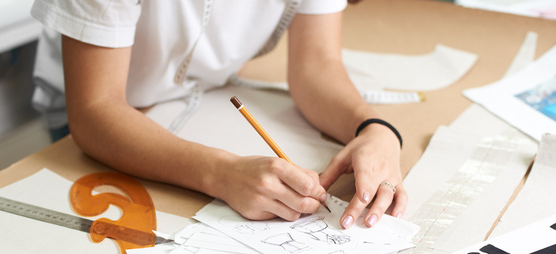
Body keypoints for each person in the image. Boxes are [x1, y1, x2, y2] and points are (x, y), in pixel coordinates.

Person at [30, 0, 407, 229]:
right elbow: (95, 109)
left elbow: (316, 64)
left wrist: (374, 129)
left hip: (205, 93)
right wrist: (221, 174)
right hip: (102, 118)